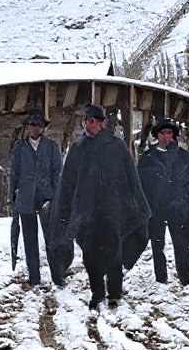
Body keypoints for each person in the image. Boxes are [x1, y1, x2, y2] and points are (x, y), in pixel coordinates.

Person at [48, 105, 151, 310]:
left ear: (102, 123)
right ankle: (97, 293)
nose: (89, 124)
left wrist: (140, 203)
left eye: (93, 120)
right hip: (86, 211)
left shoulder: (116, 146)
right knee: (90, 254)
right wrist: (64, 208)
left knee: (114, 252)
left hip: (113, 208)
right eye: (87, 120)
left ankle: (114, 292)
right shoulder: (77, 149)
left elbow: (132, 176)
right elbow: (68, 182)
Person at [137, 118, 189, 285]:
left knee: (181, 243)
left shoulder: (183, 157)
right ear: (157, 136)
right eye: (162, 133)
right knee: (157, 244)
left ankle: (185, 278)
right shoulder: (148, 158)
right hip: (156, 208)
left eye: (169, 133)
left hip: (178, 208)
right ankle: (160, 278)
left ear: (173, 135)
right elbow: (140, 183)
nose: (166, 137)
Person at [8, 109, 64, 286]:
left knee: (52, 239)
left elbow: (58, 174)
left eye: (39, 125)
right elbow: (14, 174)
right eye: (32, 125)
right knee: (29, 240)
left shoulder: (51, 147)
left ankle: (57, 276)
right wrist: (13, 199)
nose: (35, 129)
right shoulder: (19, 149)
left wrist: (56, 197)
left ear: (43, 128)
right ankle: (34, 278)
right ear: (27, 128)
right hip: (25, 199)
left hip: (47, 198)